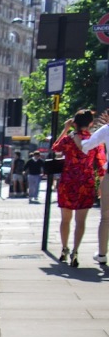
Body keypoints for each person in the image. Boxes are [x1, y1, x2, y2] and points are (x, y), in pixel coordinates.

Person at [51, 109, 106, 267]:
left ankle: (64, 248)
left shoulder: (68, 140)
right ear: (90, 123)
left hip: (68, 181)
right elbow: (101, 164)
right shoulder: (95, 141)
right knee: (81, 221)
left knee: (65, 219)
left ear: (74, 123)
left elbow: (55, 147)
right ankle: (75, 251)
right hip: (86, 183)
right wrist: (101, 184)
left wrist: (66, 128)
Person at [70, 110, 109, 270]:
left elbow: (86, 146)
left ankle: (102, 254)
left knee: (106, 218)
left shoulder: (106, 129)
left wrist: (74, 136)